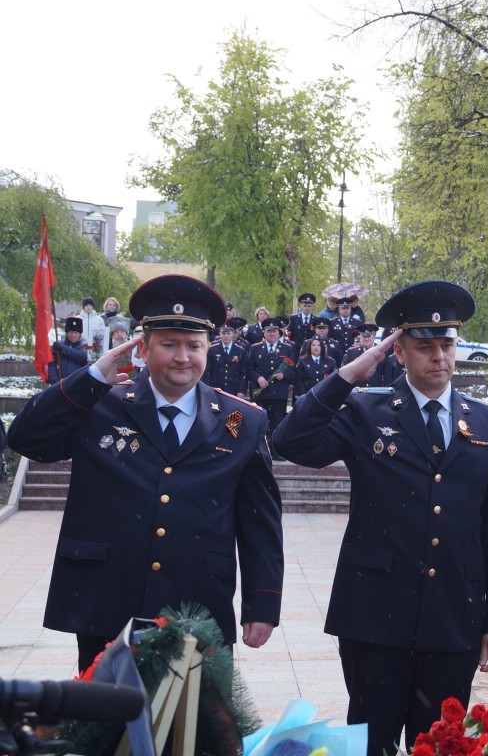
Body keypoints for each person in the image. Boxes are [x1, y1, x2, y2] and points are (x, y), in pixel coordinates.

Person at [273, 281, 488, 756]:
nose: (439, 357)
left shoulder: (487, 422)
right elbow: (290, 442)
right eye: (424, 347)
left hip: (454, 615)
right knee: (370, 743)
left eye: (446, 345)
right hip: (374, 616)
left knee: (441, 744)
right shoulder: (365, 410)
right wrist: (345, 376)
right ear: (399, 352)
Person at [8, 274, 284, 673]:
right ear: (143, 348)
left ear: (209, 349)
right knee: (106, 726)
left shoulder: (242, 421)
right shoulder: (100, 407)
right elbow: (26, 438)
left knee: (189, 729)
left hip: (196, 604)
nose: (182, 358)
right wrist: (91, 379)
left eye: (194, 346)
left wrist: (262, 602)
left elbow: (260, 521)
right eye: (169, 345)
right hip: (108, 600)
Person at [246, 316, 294, 458]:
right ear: (264, 333)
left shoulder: (287, 348)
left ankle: (275, 451)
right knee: (260, 422)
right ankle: (260, 451)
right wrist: (258, 377)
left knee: (278, 423)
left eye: (274, 331)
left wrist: (284, 375)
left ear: (279, 333)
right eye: (268, 331)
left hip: (279, 392)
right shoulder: (255, 348)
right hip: (261, 392)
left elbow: (293, 368)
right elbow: (249, 369)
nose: (272, 334)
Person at [203, 323, 249, 397]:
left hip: (234, 389)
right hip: (216, 388)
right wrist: (208, 388)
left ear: (233, 334)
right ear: (220, 334)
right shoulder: (212, 349)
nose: (226, 336)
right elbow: (207, 371)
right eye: (223, 333)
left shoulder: (240, 350)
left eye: (228, 333)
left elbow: (244, 372)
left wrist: (242, 390)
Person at [47, 316, 90, 384]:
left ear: (80, 333)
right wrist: (55, 381)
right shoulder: (58, 345)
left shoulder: (85, 346)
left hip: (79, 384)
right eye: (70, 332)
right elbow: (52, 364)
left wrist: (63, 349)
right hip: (61, 384)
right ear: (66, 333)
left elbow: (83, 358)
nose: (73, 335)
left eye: (76, 333)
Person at [79, 297, 109, 363]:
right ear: (83, 307)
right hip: (81, 347)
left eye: (90, 305)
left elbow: (102, 335)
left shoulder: (99, 319)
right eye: (86, 305)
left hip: (95, 349)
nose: (88, 307)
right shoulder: (78, 318)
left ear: (93, 306)